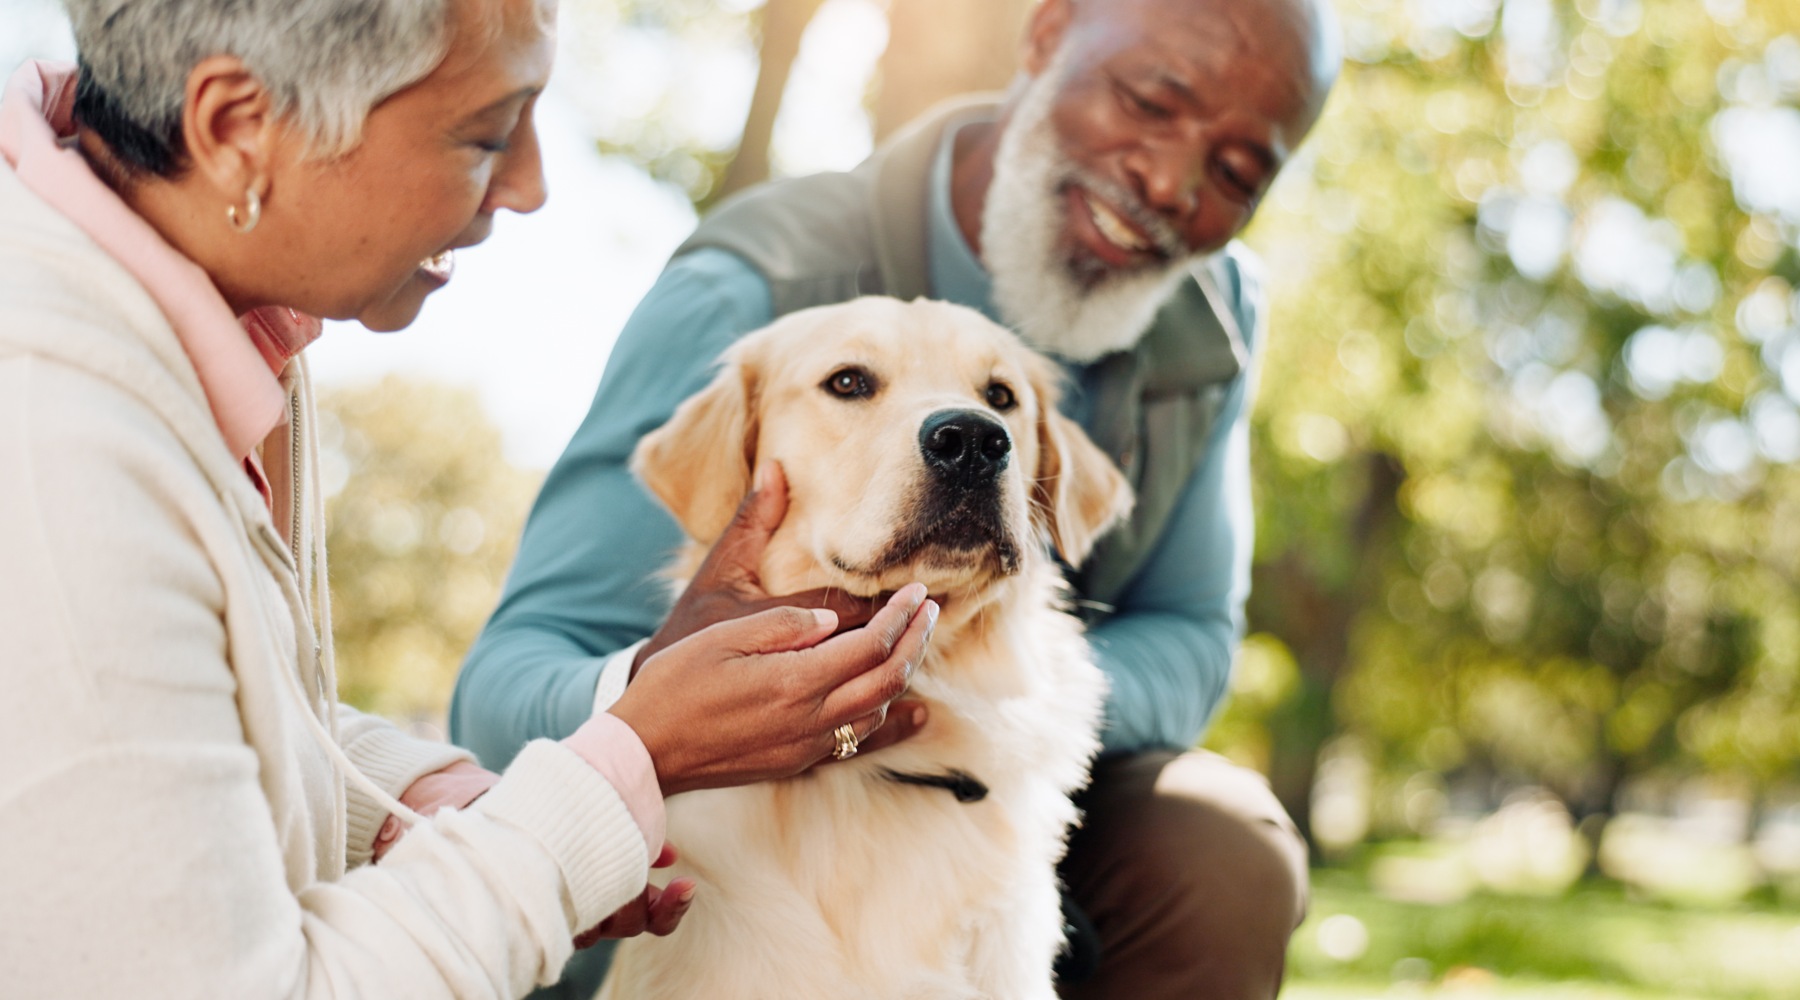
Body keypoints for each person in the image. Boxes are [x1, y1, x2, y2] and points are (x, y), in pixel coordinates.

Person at [0, 0, 937, 995]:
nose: (531, 186)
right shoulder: (56, 446)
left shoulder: (202, 316)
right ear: (236, 128)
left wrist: (461, 810)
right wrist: (625, 767)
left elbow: (197, 730)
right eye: (487, 134)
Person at [454, 0, 1340, 996]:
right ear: (1045, 36)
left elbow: (1189, 629)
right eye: (1148, 98)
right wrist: (707, 697)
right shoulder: (752, 284)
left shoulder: (1214, 316)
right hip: (721, 812)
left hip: (1023, 769)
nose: (1170, 181)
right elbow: (503, 689)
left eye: (1233, 173)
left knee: (1223, 848)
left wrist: (983, 701)